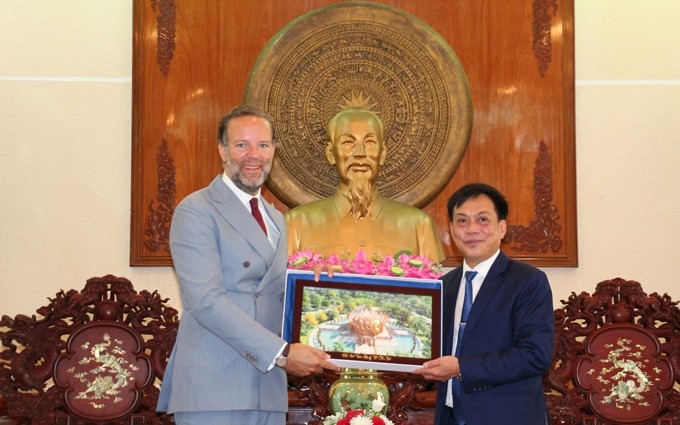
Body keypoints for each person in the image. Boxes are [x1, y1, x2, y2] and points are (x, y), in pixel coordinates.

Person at [156, 105, 340, 425]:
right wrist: (282, 353)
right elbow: (207, 302)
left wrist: (314, 285)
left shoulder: (276, 219)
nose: (253, 155)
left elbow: (275, 295)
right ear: (223, 151)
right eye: (242, 145)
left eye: (263, 145)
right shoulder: (197, 210)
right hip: (215, 387)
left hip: (267, 388)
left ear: (273, 152)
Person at [412, 183, 554, 425]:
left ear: (502, 228)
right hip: (448, 416)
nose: (471, 229)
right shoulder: (443, 285)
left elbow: (535, 355)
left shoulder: (528, 281)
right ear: (451, 229)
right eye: (462, 221)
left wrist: (461, 367)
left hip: (506, 417)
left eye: (482, 220)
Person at [285, 107, 445, 262]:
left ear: (382, 154)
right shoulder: (296, 223)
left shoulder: (419, 225)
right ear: (330, 154)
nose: (360, 153)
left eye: (369, 142)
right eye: (348, 142)